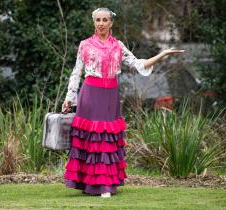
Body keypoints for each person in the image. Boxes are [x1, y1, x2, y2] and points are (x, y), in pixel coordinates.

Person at [62, 7, 184, 198]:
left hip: (110, 95)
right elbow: (76, 72)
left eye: (104, 20)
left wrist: (163, 54)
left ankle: (105, 186)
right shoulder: (85, 45)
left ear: (111, 23)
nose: (101, 23)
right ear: (94, 22)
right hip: (90, 93)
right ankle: (91, 185)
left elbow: (139, 64)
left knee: (106, 138)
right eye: (98, 20)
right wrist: (70, 98)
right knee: (91, 138)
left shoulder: (118, 46)